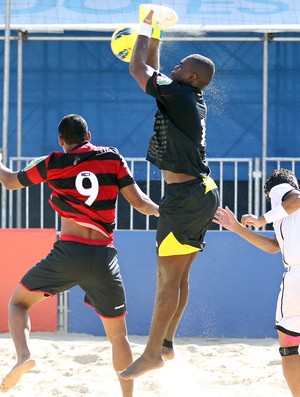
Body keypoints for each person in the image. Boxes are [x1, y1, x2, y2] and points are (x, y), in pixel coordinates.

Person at [0, 114, 159, 396]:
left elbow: (11, 182)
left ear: (62, 141)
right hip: (103, 258)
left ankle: (24, 357)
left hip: (68, 253)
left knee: (18, 304)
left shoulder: (52, 162)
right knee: (118, 338)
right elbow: (140, 203)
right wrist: (166, 211)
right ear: (89, 135)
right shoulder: (112, 158)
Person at [119, 4, 219, 380]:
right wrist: (157, 31)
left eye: (178, 70)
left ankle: (151, 354)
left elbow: (137, 68)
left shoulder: (178, 94)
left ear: (190, 76)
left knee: (167, 282)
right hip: (199, 193)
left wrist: (144, 25)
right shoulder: (189, 96)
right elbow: (155, 71)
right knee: (180, 278)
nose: (171, 71)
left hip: (184, 198)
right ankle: (166, 344)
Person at [213, 168, 300, 397]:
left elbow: (296, 199)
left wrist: (261, 219)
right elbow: (273, 247)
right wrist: (237, 228)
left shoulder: (284, 195)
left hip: (296, 280)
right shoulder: (286, 217)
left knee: (290, 347)